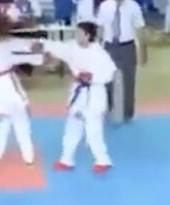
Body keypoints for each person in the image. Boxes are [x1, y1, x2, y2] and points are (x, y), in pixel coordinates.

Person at [31, 22, 116, 173]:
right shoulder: (72, 47)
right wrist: (43, 45)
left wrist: (93, 77)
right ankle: (66, 159)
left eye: (80, 33)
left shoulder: (99, 53)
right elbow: (58, 48)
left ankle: (102, 160)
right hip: (78, 93)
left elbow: (110, 72)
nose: (77, 36)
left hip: (94, 93)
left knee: (93, 129)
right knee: (73, 126)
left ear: (88, 36)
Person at [0, 6, 35, 170]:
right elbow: (30, 51)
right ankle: (29, 158)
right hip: (8, 85)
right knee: (21, 120)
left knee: (5, 121)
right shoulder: (8, 45)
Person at [96, 0, 147, 123]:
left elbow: (140, 29)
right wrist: (96, 49)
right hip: (109, 46)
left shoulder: (133, 6)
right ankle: (109, 108)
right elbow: (100, 29)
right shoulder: (104, 6)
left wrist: (143, 51)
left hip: (127, 47)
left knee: (129, 81)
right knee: (107, 80)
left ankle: (128, 113)